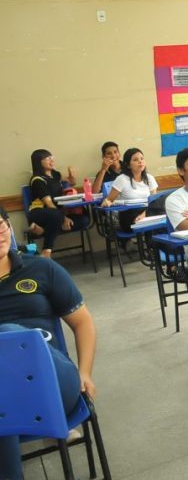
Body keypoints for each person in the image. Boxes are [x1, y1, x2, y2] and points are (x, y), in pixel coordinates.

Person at [0, 204, 97, 480]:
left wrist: (85, 372)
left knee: (8, 335)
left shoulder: (41, 268)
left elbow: (83, 322)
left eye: (1, 224)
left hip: (53, 380)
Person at [27, 149, 86, 258]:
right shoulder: (37, 180)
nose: (52, 160)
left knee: (84, 219)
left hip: (55, 216)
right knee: (56, 214)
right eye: (47, 158)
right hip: (38, 213)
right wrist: (63, 218)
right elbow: (48, 203)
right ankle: (46, 250)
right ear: (38, 162)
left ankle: (43, 231)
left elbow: (71, 182)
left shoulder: (55, 175)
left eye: (52, 157)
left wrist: (72, 175)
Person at [100, 147, 158, 232]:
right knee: (150, 223)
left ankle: (154, 243)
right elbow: (109, 200)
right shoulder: (122, 179)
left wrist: (144, 214)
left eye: (142, 158)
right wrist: (107, 202)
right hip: (129, 215)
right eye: (135, 160)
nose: (140, 161)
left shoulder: (149, 178)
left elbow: (154, 201)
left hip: (146, 212)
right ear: (128, 165)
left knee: (160, 211)